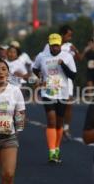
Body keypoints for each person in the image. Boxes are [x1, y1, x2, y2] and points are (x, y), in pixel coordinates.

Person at [32, 33, 76, 163]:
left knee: (59, 122)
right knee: (51, 120)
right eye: (53, 45)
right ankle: (51, 151)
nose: (55, 48)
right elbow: (35, 69)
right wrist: (40, 77)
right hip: (48, 92)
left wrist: (63, 65)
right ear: (49, 45)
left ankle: (57, 147)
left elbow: (72, 76)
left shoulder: (67, 57)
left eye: (57, 45)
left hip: (62, 92)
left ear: (61, 45)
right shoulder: (42, 56)